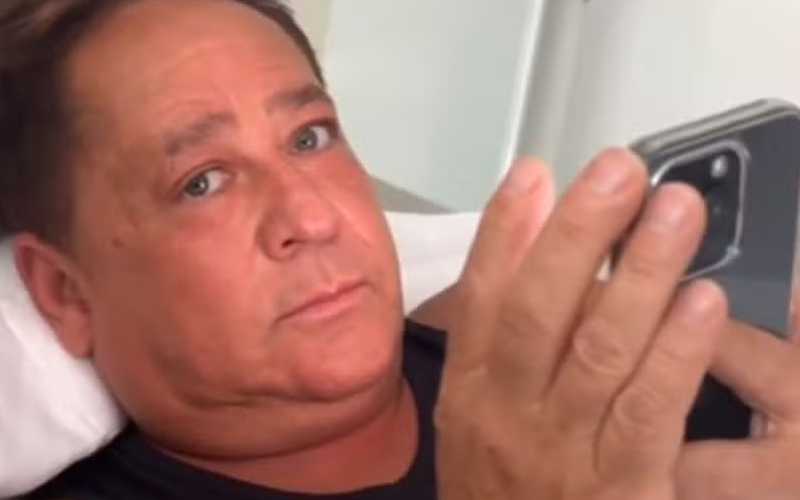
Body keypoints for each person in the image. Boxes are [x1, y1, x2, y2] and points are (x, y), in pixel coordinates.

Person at [2, 0, 800, 498]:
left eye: (310, 137)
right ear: (66, 294)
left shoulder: (533, 344)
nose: (311, 216)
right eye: (202, 182)